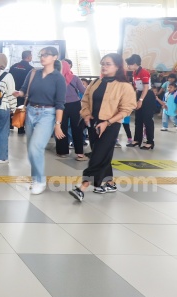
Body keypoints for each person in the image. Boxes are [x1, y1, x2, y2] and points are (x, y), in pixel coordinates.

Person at [69, 53, 136, 201]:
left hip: (110, 125)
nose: (104, 66)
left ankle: (82, 187)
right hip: (93, 124)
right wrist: (86, 115)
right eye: (103, 63)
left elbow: (127, 109)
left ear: (117, 66)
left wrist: (108, 122)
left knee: (97, 155)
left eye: (108, 64)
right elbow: (85, 100)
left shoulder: (124, 86)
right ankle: (109, 183)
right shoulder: (95, 83)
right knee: (103, 154)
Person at [13, 46, 66, 195]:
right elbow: (24, 90)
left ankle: (40, 180)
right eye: (41, 55)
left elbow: (60, 104)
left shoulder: (58, 78)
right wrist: (19, 93)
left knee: (35, 147)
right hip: (30, 111)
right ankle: (35, 178)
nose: (43, 57)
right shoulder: (33, 72)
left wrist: (58, 124)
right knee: (31, 149)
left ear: (55, 57)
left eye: (47, 55)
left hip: (47, 114)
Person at [57, 60, 87, 160]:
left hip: (61, 106)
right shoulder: (75, 78)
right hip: (75, 105)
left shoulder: (56, 78)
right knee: (77, 128)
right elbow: (83, 91)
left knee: (62, 128)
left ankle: (62, 151)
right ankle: (79, 152)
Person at [125, 54, 155, 150]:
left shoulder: (144, 72)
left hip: (147, 96)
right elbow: (137, 87)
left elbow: (146, 87)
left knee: (147, 120)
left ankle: (150, 142)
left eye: (129, 64)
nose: (128, 66)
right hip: (140, 95)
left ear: (134, 63)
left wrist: (141, 100)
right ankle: (137, 140)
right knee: (138, 120)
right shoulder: (135, 73)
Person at [9, 50, 34, 135]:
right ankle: (20, 128)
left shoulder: (13, 67)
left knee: (12, 107)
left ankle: (10, 124)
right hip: (23, 92)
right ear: (28, 57)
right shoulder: (30, 69)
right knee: (22, 109)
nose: (31, 57)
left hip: (13, 91)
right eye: (31, 56)